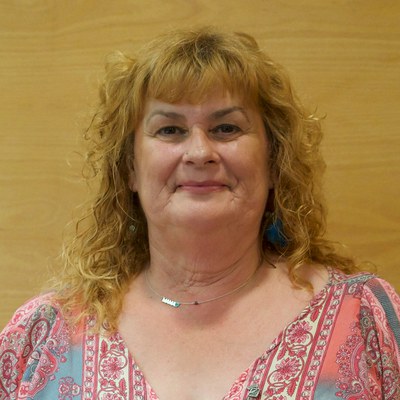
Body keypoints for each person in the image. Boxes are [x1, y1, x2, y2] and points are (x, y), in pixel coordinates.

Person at [0, 27, 399, 400]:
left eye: (226, 128)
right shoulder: (41, 336)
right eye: (170, 130)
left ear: (275, 161)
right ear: (130, 168)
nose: (199, 153)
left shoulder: (365, 319)